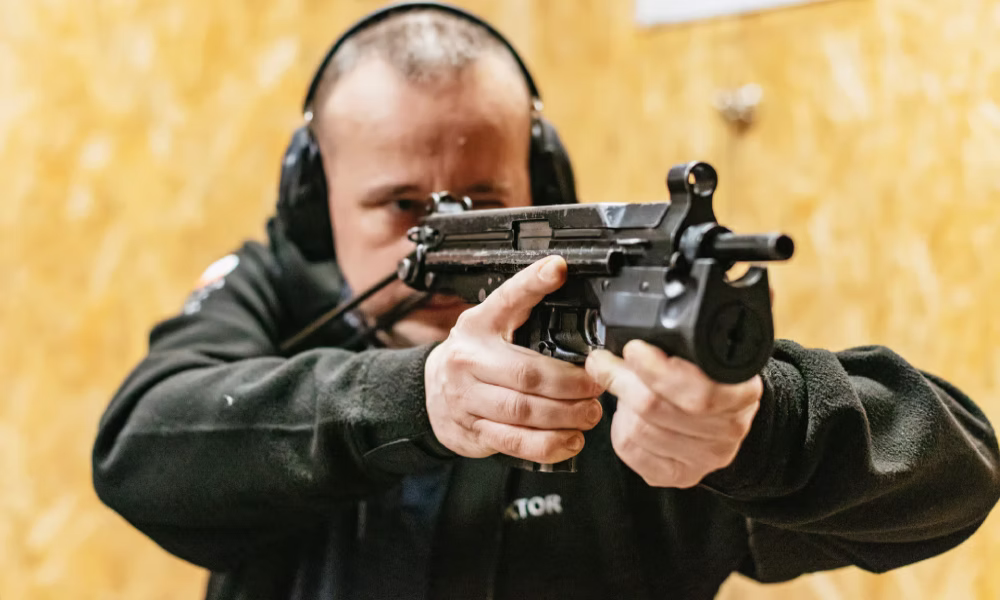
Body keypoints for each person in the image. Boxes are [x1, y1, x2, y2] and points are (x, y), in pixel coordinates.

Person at [91, 3, 1000, 600]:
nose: (443, 235)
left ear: (543, 178)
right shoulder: (274, 296)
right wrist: (411, 399)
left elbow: (957, 476)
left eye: (484, 204)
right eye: (402, 206)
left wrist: (761, 428)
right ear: (311, 198)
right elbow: (141, 449)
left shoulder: (615, 331)